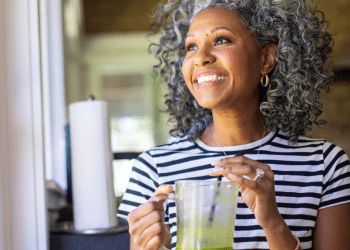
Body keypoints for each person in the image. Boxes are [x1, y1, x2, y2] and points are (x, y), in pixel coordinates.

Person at [117, 0, 350, 249]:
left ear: (266, 59)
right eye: (191, 46)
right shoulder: (153, 168)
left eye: (220, 40)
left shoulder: (325, 164)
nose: (201, 58)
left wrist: (273, 223)